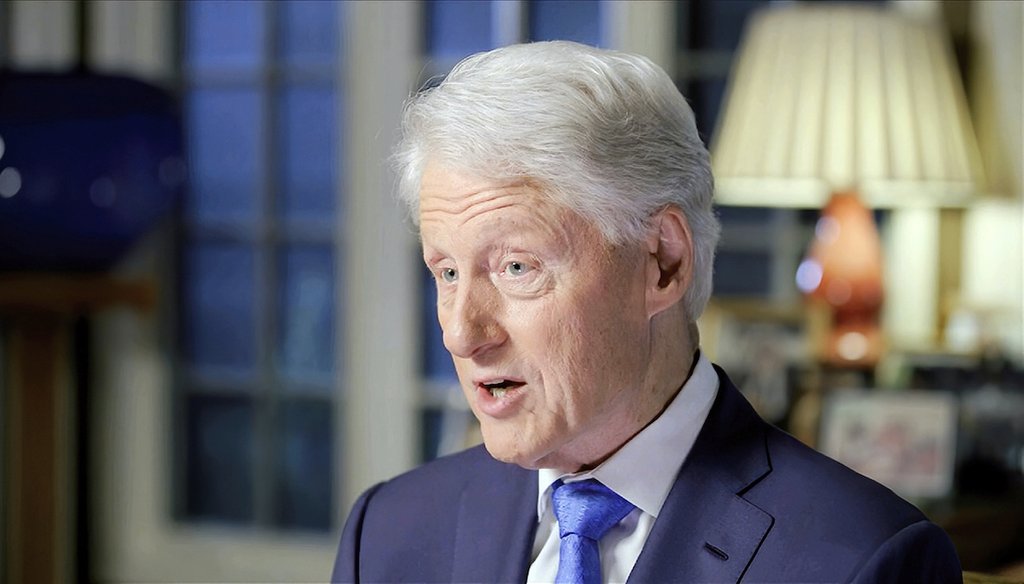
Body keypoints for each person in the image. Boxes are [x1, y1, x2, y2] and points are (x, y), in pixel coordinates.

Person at [332, 41, 962, 583]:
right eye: (446, 272)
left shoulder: (868, 559)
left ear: (662, 262)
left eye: (516, 268)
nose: (461, 333)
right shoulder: (386, 532)